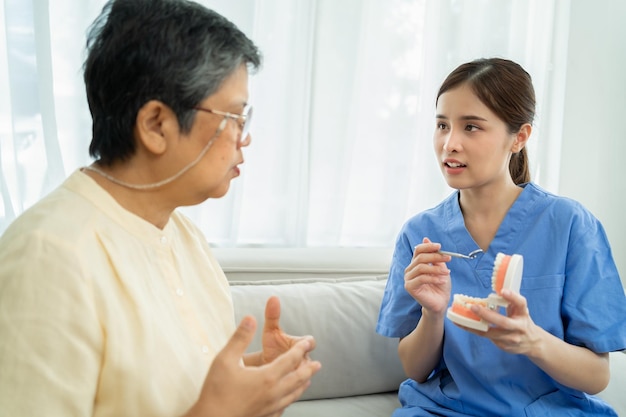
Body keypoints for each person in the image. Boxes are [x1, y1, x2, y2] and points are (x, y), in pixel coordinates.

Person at [0, 0, 321, 416]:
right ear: (156, 124)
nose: (245, 139)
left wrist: (256, 378)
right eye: (235, 118)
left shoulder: (186, 237)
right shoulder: (48, 255)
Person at [376, 58, 626, 416]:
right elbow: (415, 369)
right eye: (442, 125)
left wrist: (532, 340)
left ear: (519, 137)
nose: (450, 143)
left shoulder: (569, 225)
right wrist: (433, 315)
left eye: (471, 127)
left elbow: (596, 375)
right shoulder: (419, 235)